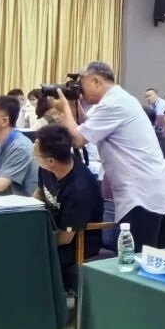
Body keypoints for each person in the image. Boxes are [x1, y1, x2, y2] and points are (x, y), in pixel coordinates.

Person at [48, 61, 165, 251]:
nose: (79, 91)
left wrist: (64, 108)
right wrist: (72, 105)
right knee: (155, 258)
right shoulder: (120, 99)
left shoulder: (113, 104)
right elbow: (90, 127)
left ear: (96, 81)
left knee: (136, 259)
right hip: (154, 189)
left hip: (142, 195)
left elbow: (77, 139)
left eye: (81, 84)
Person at [32, 123, 104, 290]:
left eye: (35, 154)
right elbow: (39, 193)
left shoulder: (80, 189)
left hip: (78, 242)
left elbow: (65, 237)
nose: (33, 156)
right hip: (53, 230)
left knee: (30, 258)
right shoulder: (47, 168)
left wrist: (35, 241)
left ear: (50, 161)